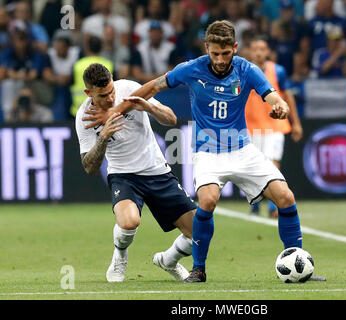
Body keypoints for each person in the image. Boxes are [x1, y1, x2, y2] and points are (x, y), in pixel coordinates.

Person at [82, 20, 325, 283]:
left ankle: (298, 259)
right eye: (215, 54)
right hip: (207, 151)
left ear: (235, 47)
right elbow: (152, 87)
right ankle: (199, 269)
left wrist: (282, 108)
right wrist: (113, 112)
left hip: (242, 148)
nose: (220, 60)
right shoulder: (190, 69)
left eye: (226, 53)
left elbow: (272, 96)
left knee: (286, 197)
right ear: (206, 48)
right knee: (207, 201)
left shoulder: (247, 70)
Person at [75, 63, 197, 282]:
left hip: (157, 171)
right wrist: (103, 137)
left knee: (198, 235)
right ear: (88, 93)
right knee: (129, 222)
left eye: (111, 91)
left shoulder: (130, 89)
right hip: (123, 176)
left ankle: (168, 260)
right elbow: (89, 167)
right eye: (103, 95)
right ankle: (120, 255)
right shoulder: (84, 117)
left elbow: (171, 119)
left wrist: (149, 108)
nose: (111, 98)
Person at [245, 36, 303, 217]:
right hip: (250, 127)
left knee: (272, 164)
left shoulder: (278, 71)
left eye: (262, 49)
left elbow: (288, 97)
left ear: (268, 52)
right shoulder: (242, 71)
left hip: (274, 126)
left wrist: (296, 123)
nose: (259, 53)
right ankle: (255, 203)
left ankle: (273, 206)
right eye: (255, 49)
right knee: (252, 168)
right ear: (249, 51)